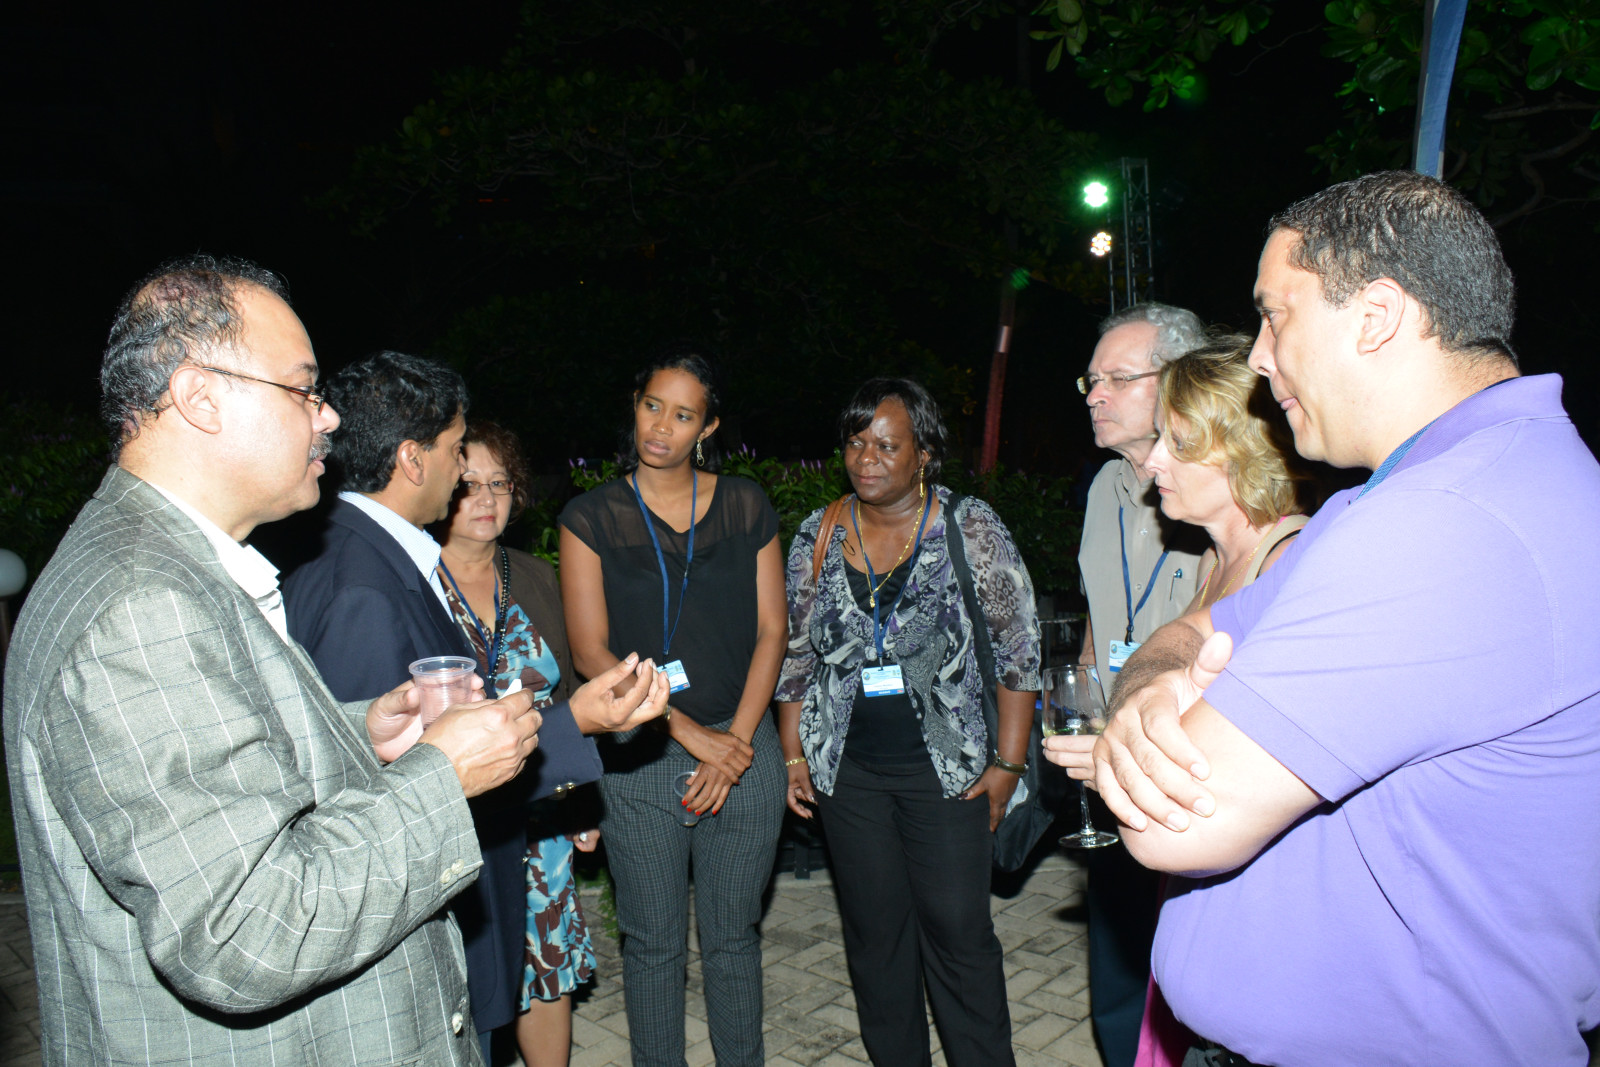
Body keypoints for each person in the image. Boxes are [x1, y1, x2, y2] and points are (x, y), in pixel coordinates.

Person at [2, 255, 662, 1065]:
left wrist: (361, 730)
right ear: (199, 397)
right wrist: (441, 775)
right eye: (302, 389)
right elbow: (245, 928)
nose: (328, 417)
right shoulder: (141, 608)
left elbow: (232, 775)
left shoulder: (167, 566)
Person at [1093, 171, 1600, 1066]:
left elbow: (1172, 822)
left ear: (1375, 317)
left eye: (1275, 317)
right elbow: (1189, 633)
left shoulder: (1443, 525)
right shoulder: (1422, 497)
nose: (1258, 356)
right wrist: (1155, 686)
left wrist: (1145, 720)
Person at [283, 351, 637, 1059]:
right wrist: (579, 724)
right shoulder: (364, 588)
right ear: (412, 459)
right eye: (454, 451)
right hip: (413, 919)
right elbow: (381, 798)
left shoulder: (361, 555)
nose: (463, 477)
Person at [1046, 334, 1309, 1066]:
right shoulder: (1217, 560)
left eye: (1178, 442)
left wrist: (1122, 754)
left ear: (1241, 452)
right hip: (1197, 872)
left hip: (1259, 891)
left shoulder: (1289, 561)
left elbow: (1258, 760)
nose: (1155, 461)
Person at [775, 377, 1040, 1067]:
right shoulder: (819, 532)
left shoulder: (967, 525)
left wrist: (1008, 766)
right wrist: (794, 755)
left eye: (886, 445)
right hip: (847, 773)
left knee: (958, 933)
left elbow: (1018, 649)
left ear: (923, 452)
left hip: (948, 772)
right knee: (875, 937)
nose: (866, 458)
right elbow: (794, 653)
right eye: (855, 442)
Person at [558, 348, 788, 1067]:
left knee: (732, 940)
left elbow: (773, 630)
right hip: (643, 754)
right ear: (635, 406)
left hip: (743, 749)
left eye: (683, 415)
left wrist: (736, 744)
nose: (661, 426)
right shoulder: (590, 516)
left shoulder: (745, 503)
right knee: (653, 946)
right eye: (652, 406)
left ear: (707, 426)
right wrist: (691, 735)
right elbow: (590, 651)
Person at [434, 420, 599, 1067]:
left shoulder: (532, 576)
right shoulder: (416, 580)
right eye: (469, 483)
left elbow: (570, 694)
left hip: (540, 811)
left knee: (546, 962)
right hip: (457, 814)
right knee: (464, 969)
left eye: (499, 483)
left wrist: (580, 800)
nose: (485, 498)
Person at [1073, 302, 1209, 1067]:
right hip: (1110, 762)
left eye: (1118, 378)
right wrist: (1083, 695)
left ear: (1179, 381)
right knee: (1119, 979)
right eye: (1090, 380)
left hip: (1189, 772)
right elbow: (1102, 610)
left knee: (1193, 981)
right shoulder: (1103, 488)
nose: (1095, 394)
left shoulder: (1217, 489)